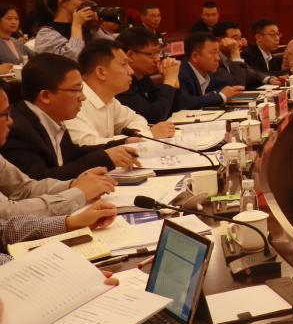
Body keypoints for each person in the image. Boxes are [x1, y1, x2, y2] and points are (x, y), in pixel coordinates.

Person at [2, 54, 140, 180]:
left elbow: (72, 154)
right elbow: (39, 180)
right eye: (76, 90)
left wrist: (123, 143)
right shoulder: (16, 129)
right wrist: (105, 158)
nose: (83, 97)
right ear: (46, 96)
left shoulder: (51, 118)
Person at [0, 89, 114, 221]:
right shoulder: (21, 130)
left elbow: (23, 189)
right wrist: (78, 194)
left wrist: (73, 185)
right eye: (5, 114)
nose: (11, 121)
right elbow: (8, 215)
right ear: (46, 95)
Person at [63, 40, 175, 146]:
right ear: (101, 72)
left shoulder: (109, 99)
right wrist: (148, 135)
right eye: (124, 64)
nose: (131, 71)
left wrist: (138, 136)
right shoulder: (74, 101)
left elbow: (136, 119)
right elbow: (86, 145)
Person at [116, 27, 181, 123]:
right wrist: (169, 81)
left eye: (158, 54)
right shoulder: (120, 83)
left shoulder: (143, 78)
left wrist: (173, 81)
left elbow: (175, 109)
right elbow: (153, 118)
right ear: (130, 55)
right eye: (152, 54)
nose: (157, 59)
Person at [32, 0, 96, 60]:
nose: (86, 4)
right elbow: (71, 59)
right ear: (62, 1)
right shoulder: (46, 34)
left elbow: (106, 56)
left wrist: (96, 28)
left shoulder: (84, 27)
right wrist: (77, 25)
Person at [177, 32, 245, 109]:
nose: (218, 58)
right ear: (195, 56)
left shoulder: (209, 72)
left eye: (218, 53)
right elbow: (185, 103)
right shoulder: (180, 73)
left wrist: (217, 94)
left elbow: (236, 87)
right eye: (213, 53)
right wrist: (221, 96)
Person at [213, 21, 281, 88]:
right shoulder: (215, 60)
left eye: (240, 38)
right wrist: (235, 54)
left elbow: (252, 73)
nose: (240, 43)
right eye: (235, 39)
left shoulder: (231, 57)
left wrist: (268, 79)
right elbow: (238, 86)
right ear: (219, 41)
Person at [0, 4, 31, 74]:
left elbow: (37, 57)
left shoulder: (17, 42)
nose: (14, 22)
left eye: (16, 19)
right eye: (9, 18)